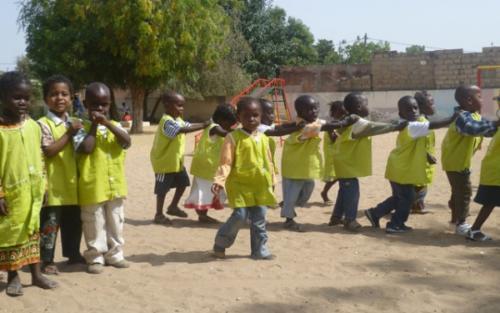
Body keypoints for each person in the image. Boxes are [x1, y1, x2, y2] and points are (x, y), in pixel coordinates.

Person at [0, 71, 58, 296]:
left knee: (34, 231)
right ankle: (13, 276)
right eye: (17, 98)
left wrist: (43, 186)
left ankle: (36, 274)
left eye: (26, 97)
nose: (23, 102)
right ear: (3, 98)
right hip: (12, 195)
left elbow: (40, 159)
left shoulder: (33, 126)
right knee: (13, 234)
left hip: (33, 192)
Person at [364, 96, 456, 233]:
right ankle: (395, 224)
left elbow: (418, 143)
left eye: (415, 108)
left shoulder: (416, 124)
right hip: (401, 169)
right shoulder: (411, 126)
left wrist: (427, 155)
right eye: (408, 109)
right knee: (407, 198)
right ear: (401, 114)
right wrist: (451, 119)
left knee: (401, 197)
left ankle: (375, 213)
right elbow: (432, 126)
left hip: (401, 168)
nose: (413, 111)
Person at [75, 82, 132, 274]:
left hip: (115, 186)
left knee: (116, 222)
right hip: (92, 187)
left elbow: (126, 142)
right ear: (85, 104)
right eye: (94, 104)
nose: (99, 108)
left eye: (104, 104)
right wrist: (94, 126)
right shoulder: (80, 128)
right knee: (94, 223)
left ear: (110, 105)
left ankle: (115, 254)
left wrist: (107, 123)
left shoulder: (115, 126)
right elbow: (87, 148)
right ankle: (95, 256)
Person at [329, 92, 406, 231]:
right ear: (359, 107)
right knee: (352, 192)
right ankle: (350, 220)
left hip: (345, 161)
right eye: (366, 104)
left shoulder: (351, 120)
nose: (368, 107)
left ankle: (336, 217)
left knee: (345, 190)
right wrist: (395, 126)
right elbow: (375, 127)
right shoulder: (358, 123)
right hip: (347, 163)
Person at [280, 95, 358, 232]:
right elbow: (325, 126)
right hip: (293, 167)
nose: (314, 111)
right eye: (309, 109)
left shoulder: (315, 122)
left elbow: (327, 125)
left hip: (306, 167)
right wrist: (344, 123)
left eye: (316, 108)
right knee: (292, 195)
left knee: (308, 189)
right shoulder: (304, 126)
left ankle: (287, 205)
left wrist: (334, 130)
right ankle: (288, 219)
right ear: (300, 112)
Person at [212, 97, 276, 259]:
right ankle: (220, 243)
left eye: (255, 115)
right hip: (239, 185)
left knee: (259, 219)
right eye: (246, 115)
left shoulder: (263, 138)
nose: (251, 119)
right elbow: (225, 162)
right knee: (240, 216)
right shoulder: (232, 137)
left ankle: (259, 250)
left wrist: (272, 180)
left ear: (261, 116)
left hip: (260, 186)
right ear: (238, 117)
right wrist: (219, 181)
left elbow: (268, 161)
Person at [37, 75, 85, 275]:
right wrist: (69, 134)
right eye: (54, 94)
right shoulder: (43, 124)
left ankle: (73, 253)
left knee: (74, 221)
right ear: (46, 99)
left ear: (72, 97)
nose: (60, 98)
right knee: (50, 223)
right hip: (53, 184)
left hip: (73, 183)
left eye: (64, 94)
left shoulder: (75, 122)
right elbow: (48, 150)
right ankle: (46, 260)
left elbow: (83, 148)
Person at [441, 85, 499, 236]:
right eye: (479, 97)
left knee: (457, 191)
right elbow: (471, 129)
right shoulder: (462, 117)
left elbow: (486, 131)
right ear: (469, 100)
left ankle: (454, 219)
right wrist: (496, 124)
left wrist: (494, 126)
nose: (482, 100)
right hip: (455, 162)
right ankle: (461, 224)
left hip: (458, 161)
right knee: (465, 192)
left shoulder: (475, 116)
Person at [150, 91, 210, 224]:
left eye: (183, 106)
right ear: (167, 105)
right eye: (179, 105)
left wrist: (205, 124)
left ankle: (172, 206)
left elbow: (187, 125)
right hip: (164, 163)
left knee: (183, 183)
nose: (182, 109)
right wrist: (203, 125)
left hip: (176, 162)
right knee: (162, 189)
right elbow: (180, 130)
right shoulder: (166, 121)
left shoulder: (178, 120)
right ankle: (158, 214)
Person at [184, 104, 237, 223]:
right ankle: (202, 215)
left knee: (207, 190)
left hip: (209, 166)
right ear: (220, 120)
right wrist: (241, 131)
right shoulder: (215, 127)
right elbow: (225, 133)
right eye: (228, 124)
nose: (229, 127)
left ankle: (203, 214)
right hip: (206, 166)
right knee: (205, 191)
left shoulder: (217, 126)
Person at [467, 100, 500, 241]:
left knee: (490, 202)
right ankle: (474, 230)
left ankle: (474, 230)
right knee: (490, 202)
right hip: (496, 170)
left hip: (493, 169)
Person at [410, 91, 437, 215]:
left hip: (425, 160)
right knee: (418, 184)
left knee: (422, 182)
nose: (433, 106)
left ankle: (417, 205)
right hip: (420, 159)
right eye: (431, 103)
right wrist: (427, 155)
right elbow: (414, 143)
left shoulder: (425, 120)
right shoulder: (419, 122)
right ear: (421, 106)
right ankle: (416, 205)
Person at [320, 101, 346, 205]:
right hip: (332, 152)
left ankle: (328, 193)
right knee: (335, 176)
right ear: (333, 113)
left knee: (340, 175)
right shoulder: (332, 125)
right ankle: (324, 193)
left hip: (339, 151)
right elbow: (333, 139)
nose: (343, 115)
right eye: (341, 113)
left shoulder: (342, 124)